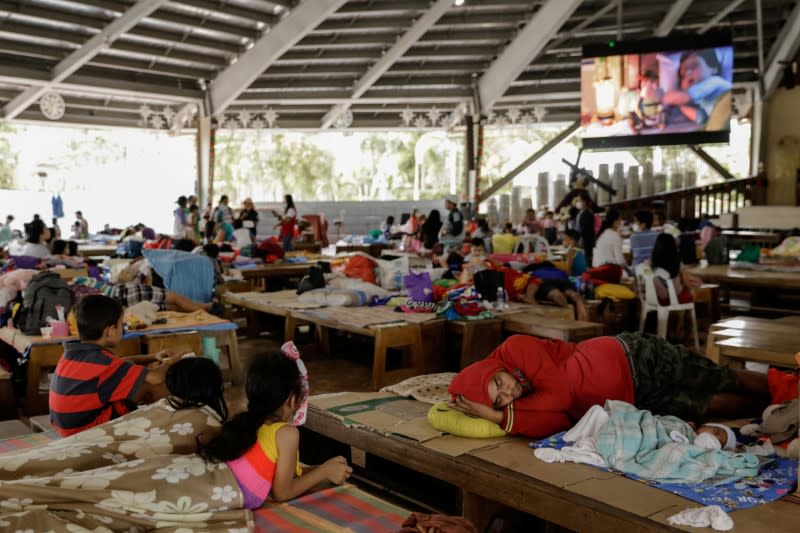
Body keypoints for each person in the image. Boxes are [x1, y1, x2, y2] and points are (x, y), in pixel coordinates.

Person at [448, 333, 770, 438]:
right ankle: (774, 413)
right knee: (712, 405)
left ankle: (786, 385)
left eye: (500, 383)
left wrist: (499, 414)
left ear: (494, 368)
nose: (509, 393)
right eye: (500, 400)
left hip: (635, 357)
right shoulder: (518, 407)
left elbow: (560, 396)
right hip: (636, 400)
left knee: (719, 376)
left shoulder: (515, 348)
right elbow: (558, 421)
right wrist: (495, 417)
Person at [201, 353, 353, 506]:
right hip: (230, 497)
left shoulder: (248, 422)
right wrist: (323, 472)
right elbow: (282, 493)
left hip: (214, 488)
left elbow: (286, 474)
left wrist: (324, 468)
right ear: (293, 399)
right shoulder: (286, 433)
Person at [49, 295, 180, 436]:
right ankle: (167, 426)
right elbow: (157, 377)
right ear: (110, 331)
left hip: (66, 429)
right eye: (120, 325)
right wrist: (172, 361)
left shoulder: (74, 353)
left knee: (129, 370)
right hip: (85, 432)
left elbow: (122, 363)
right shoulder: (103, 362)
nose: (122, 330)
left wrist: (153, 356)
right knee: (148, 385)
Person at [663, 49, 732, 126]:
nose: (687, 74)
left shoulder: (715, 82)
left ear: (713, 69)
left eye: (693, 66)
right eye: (682, 76)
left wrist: (661, 98)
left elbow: (685, 97)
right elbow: (700, 117)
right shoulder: (702, 99)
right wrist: (679, 104)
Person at [650, 233, 694, 306]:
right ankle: (683, 316)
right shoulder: (677, 262)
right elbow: (686, 282)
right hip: (676, 297)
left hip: (658, 299)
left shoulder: (651, 263)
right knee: (688, 289)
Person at [574, 191, 595, 266]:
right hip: (581, 242)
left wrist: (578, 240)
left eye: (579, 200)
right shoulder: (582, 212)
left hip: (585, 243)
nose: (577, 202)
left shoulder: (587, 213)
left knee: (586, 263)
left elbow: (586, 231)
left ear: (584, 201)